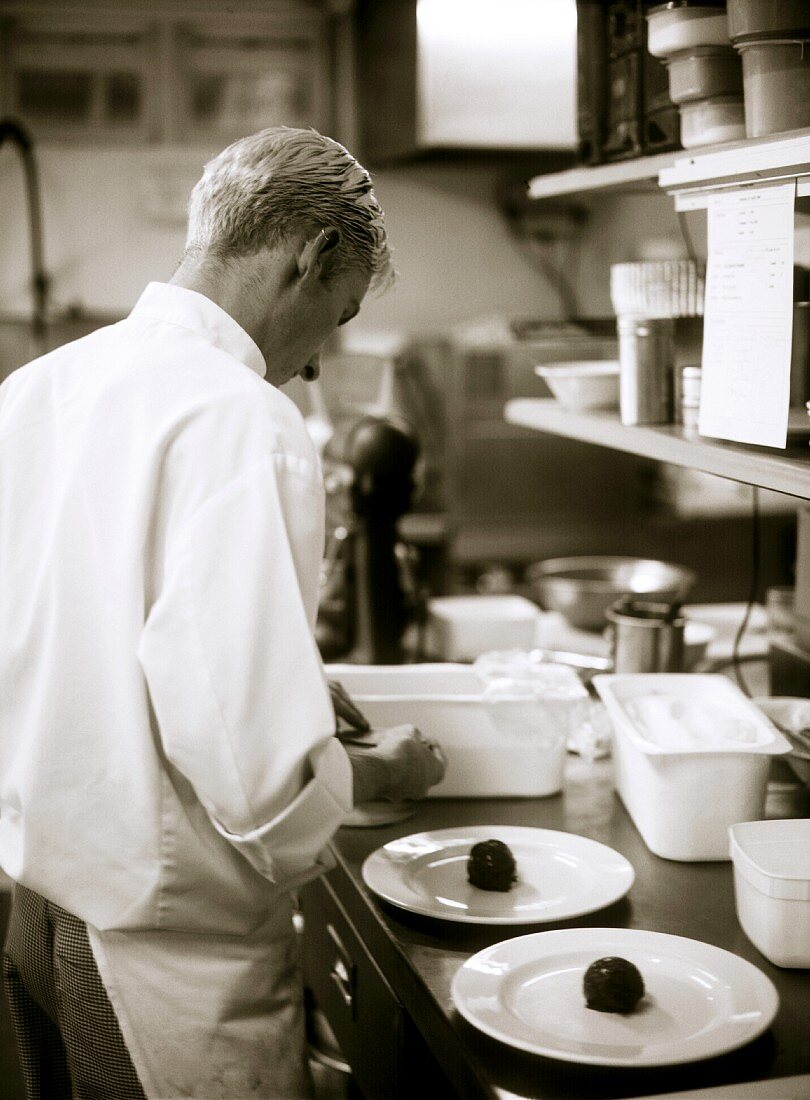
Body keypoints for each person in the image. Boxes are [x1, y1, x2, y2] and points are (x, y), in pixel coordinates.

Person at [0, 126, 446, 1099]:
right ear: (315, 255)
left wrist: (280, 673)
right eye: (340, 313)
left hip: (34, 911)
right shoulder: (242, 418)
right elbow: (262, 785)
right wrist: (372, 769)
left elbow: (78, 632)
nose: (317, 363)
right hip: (159, 959)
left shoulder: (32, 392)